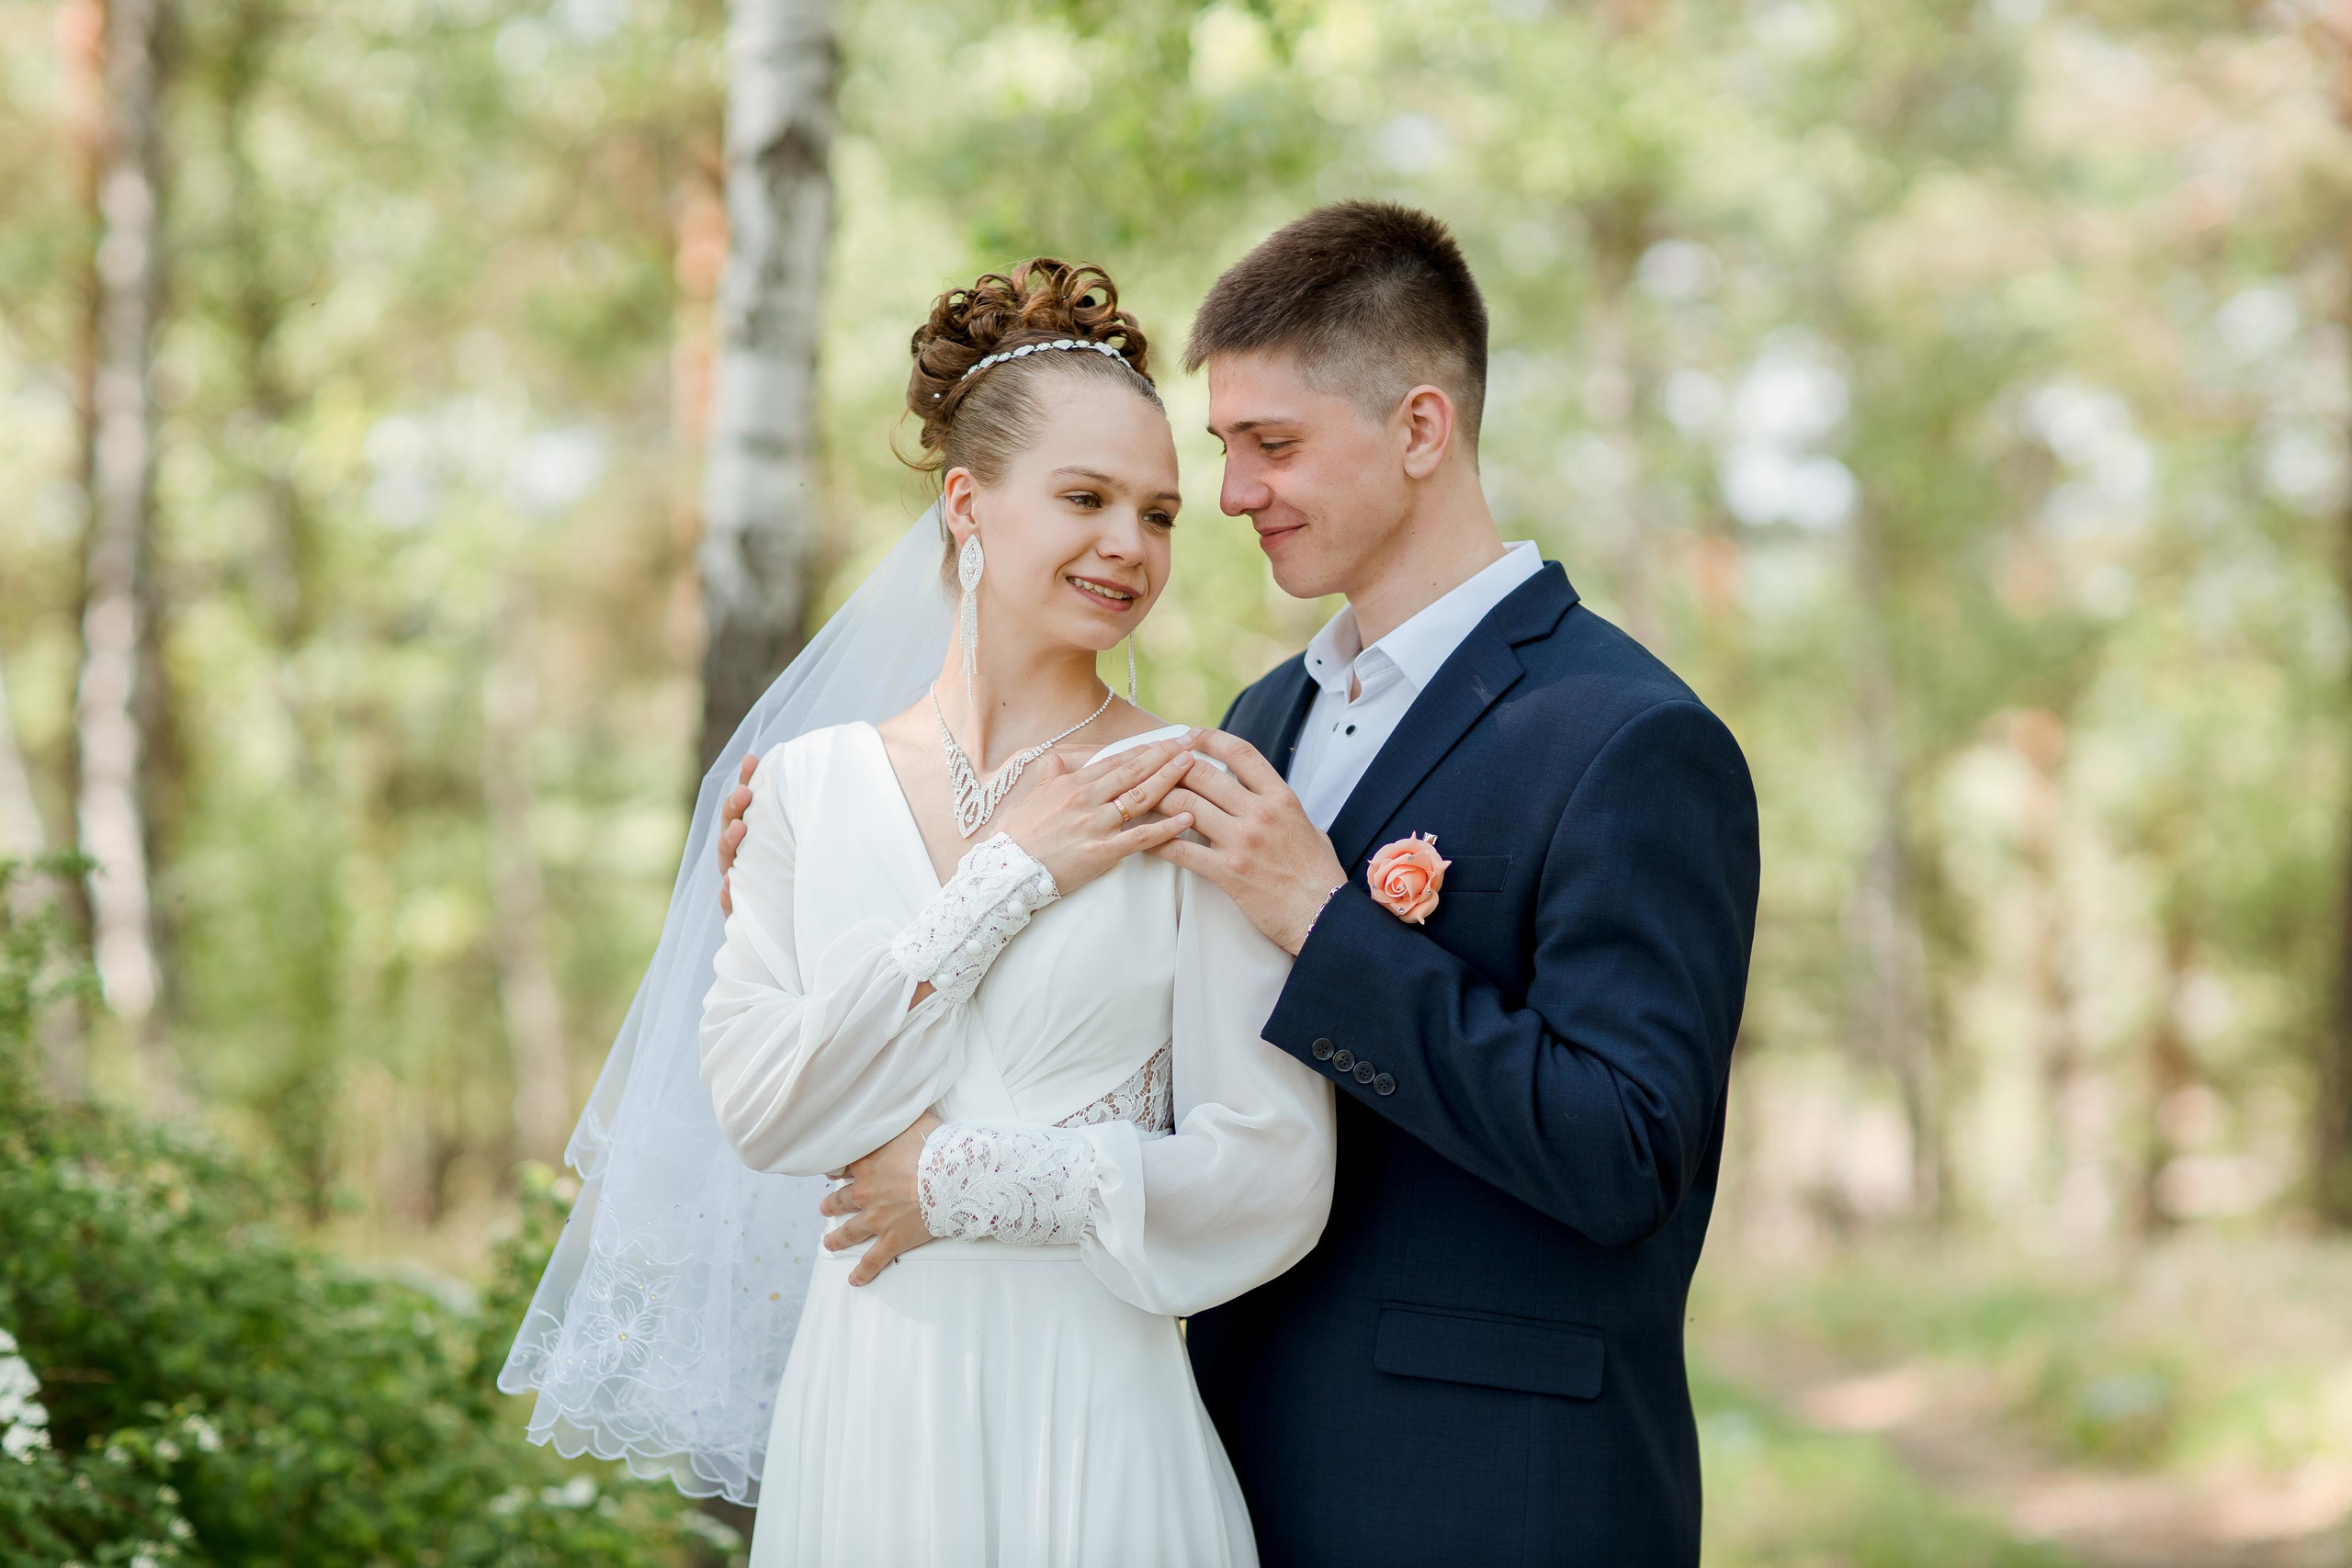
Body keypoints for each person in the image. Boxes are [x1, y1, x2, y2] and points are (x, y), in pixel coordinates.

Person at [717, 203, 1760, 1567]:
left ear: (1420, 430)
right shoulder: (1255, 723)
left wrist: (1324, 922)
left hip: (1485, 1487)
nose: (1227, 499)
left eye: (1271, 446)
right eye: (1220, 453)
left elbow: (1627, 1153)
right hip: (1218, 1442)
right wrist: (830, 847)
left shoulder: (1622, 735)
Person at [506, 258, 1334, 1568]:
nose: (1130, 543)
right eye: (1086, 498)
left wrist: (954, 1179)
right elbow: (770, 1111)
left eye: (1161, 513)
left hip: (1098, 1422)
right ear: (966, 504)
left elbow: (1274, 1171)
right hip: (871, 1413)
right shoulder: (804, 794)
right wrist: (1008, 877)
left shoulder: (1191, 794)